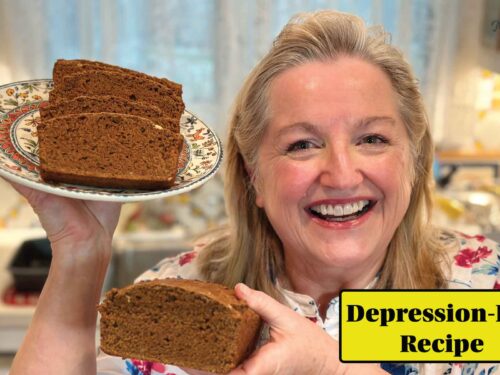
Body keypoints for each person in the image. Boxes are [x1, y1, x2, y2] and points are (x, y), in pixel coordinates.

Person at [4, 10, 499, 375]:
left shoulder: (479, 292)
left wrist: (333, 369)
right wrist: (80, 253)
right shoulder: (174, 300)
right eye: (302, 144)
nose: (342, 174)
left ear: (414, 161)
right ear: (252, 176)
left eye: (373, 138)